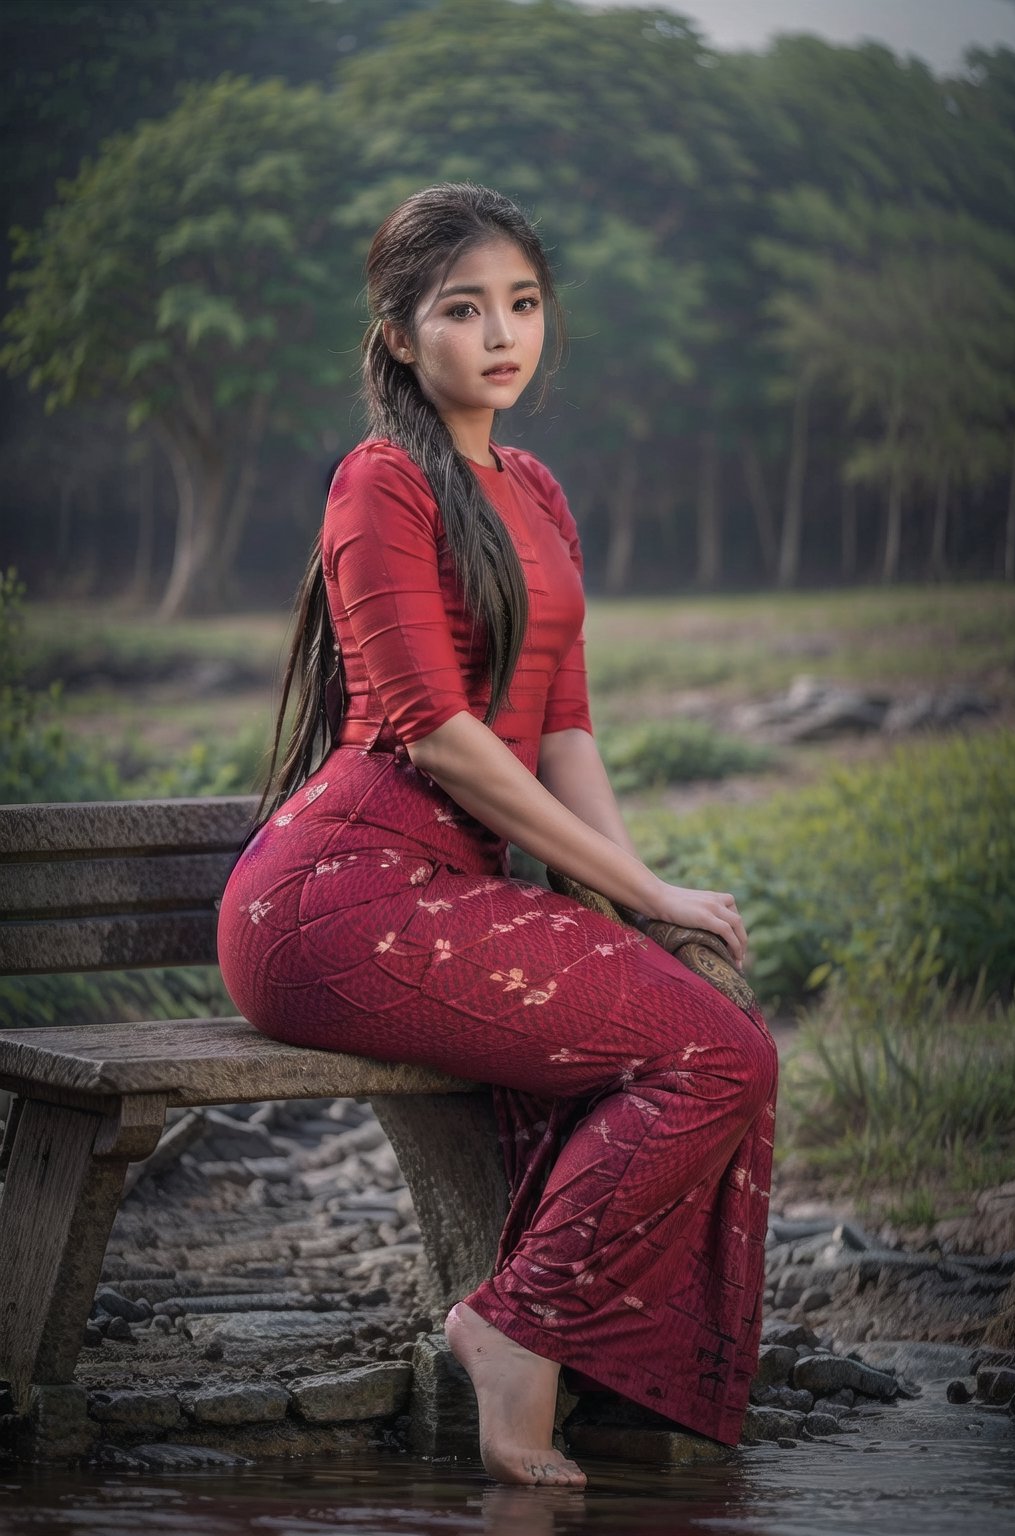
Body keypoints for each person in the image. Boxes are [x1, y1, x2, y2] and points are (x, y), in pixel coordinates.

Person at [217, 182, 777, 1489]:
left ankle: (611, 1387)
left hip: (444, 892)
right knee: (715, 1054)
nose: (501, 333)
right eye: (464, 310)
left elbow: (564, 726)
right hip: (336, 901)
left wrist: (639, 895)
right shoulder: (380, 481)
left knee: (717, 1040)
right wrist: (633, 884)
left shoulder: (535, 488)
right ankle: (513, 1327)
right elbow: (439, 732)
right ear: (404, 337)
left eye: (522, 304)